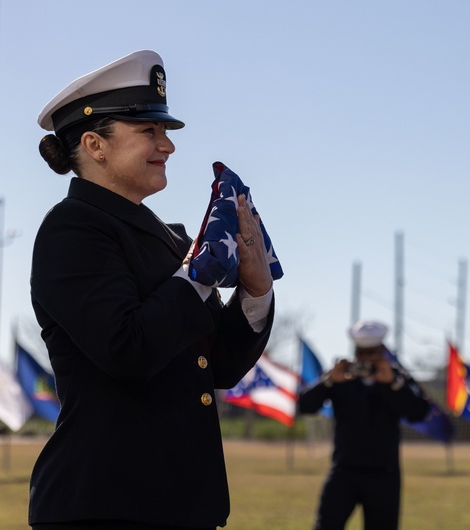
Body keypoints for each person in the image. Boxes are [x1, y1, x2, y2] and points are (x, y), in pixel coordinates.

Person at [29, 49, 275, 529]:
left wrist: (255, 290)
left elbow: (217, 366)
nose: (168, 145)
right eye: (149, 131)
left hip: (181, 506)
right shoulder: (73, 229)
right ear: (95, 144)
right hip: (104, 507)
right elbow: (128, 350)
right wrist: (197, 276)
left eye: (164, 132)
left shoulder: (172, 241)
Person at [297, 319, 430, 530]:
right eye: (363, 353)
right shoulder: (342, 375)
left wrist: (393, 384)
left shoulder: (397, 376)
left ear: (383, 351)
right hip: (344, 470)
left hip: (384, 474)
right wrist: (329, 382)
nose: (367, 359)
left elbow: (420, 412)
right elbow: (305, 405)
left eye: (374, 353)